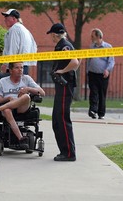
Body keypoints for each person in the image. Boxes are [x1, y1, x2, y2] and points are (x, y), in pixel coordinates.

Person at [0, 62, 45, 149]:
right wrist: (8, 98)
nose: (20, 70)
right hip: (8, 108)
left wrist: (28, 89)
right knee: (7, 110)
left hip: (22, 108)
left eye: (22, 67)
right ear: (11, 70)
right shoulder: (3, 81)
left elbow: (42, 93)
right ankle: (21, 138)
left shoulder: (26, 79)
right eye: (17, 68)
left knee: (26, 96)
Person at [46, 23, 80, 162]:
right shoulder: (63, 45)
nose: (51, 38)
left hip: (65, 85)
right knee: (57, 119)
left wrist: (62, 71)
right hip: (63, 86)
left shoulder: (64, 45)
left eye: (52, 35)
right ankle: (64, 151)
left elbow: (75, 62)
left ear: (55, 34)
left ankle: (69, 153)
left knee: (62, 119)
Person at [0, 9, 37, 81]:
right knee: (22, 89)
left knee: (12, 90)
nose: (5, 19)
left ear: (14, 18)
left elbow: (13, 48)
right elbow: (34, 46)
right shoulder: (25, 30)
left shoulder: (14, 29)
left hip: (15, 67)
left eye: (7, 17)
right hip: (24, 65)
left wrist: (6, 64)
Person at [87, 28, 115, 120]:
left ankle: (101, 113)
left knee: (101, 94)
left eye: (93, 36)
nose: (91, 38)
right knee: (93, 92)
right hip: (92, 74)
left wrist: (107, 70)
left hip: (103, 75)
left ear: (99, 37)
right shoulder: (91, 47)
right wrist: (88, 70)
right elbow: (89, 59)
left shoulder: (108, 47)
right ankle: (93, 111)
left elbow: (111, 61)